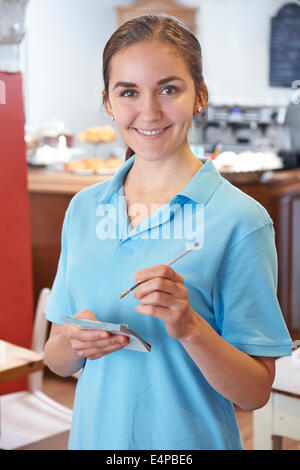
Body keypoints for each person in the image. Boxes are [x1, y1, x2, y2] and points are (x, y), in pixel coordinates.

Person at [44, 15, 292, 450]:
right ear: (108, 102)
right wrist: (73, 339)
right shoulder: (84, 209)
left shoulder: (240, 220)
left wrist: (190, 326)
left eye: (169, 88)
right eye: (129, 92)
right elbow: (56, 361)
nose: (150, 111)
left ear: (200, 97)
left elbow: (255, 392)